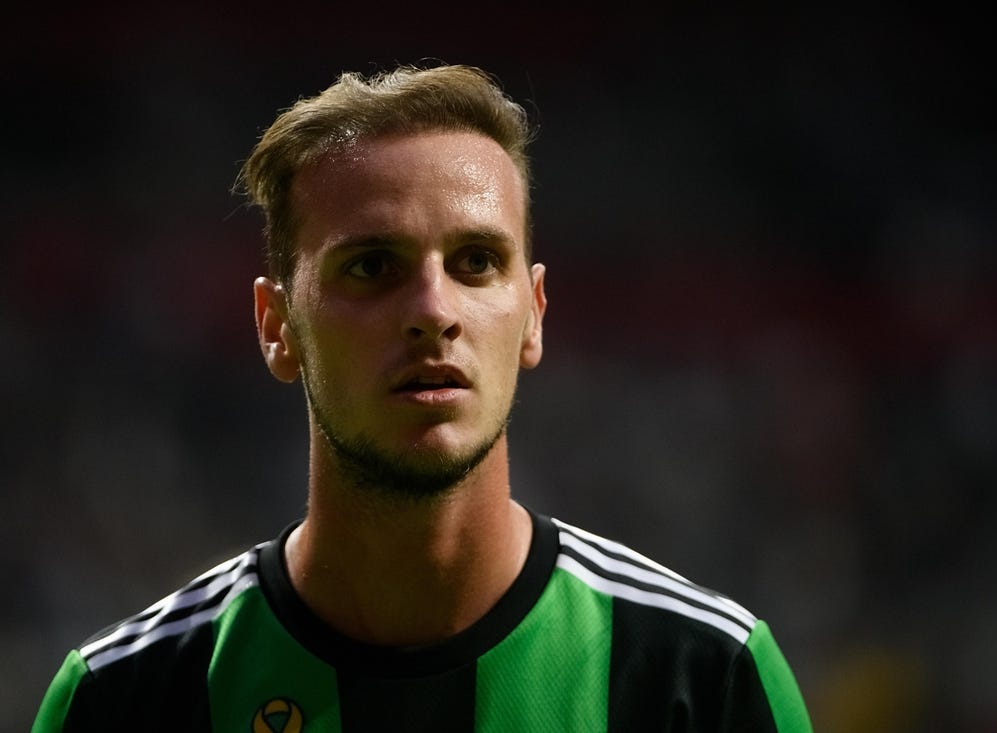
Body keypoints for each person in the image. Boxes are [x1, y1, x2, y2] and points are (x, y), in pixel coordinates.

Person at [33, 63, 813, 732]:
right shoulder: (121, 699)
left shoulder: (705, 677)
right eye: (373, 266)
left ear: (533, 314)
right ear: (278, 326)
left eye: (476, 261)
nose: (434, 310)